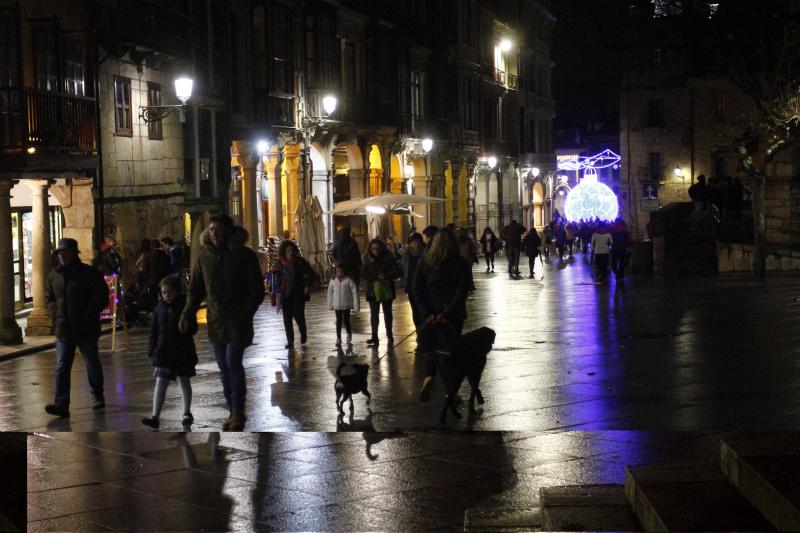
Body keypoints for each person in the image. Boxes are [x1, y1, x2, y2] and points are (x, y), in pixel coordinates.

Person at [180, 214, 264, 432]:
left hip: (238, 320)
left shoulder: (244, 256)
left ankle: (237, 410)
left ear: (228, 231)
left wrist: (246, 312)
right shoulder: (204, 257)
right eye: (211, 229)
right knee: (223, 367)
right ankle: (232, 409)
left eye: (217, 229)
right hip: (216, 321)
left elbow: (256, 290)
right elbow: (195, 289)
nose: (213, 233)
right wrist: (187, 314)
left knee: (232, 362)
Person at [44, 238, 109, 418]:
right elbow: (49, 298)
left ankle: (97, 394)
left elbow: (102, 296)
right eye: (60, 253)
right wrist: (54, 314)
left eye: (66, 252)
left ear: (74, 254)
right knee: (62, 366)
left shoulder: (89, 274)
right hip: (63, 328)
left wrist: (88, 313)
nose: (62, 256)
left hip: (86, 327)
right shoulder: (54, 275)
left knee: (91, 362)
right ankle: (61, 404)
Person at [413, 227, 471, 401]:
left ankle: (429, 376)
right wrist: (446, 313)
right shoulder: (460, 263)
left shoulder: (424, 262)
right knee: (450, 352)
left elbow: (416, 289)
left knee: (435, 348)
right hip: (452, 315)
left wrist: (427, 313)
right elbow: (461, 292)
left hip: (431, 313)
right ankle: (451, 392)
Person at [142, 275, 198, 429]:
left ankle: (186, 412)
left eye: (169, 292)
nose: (166, 295)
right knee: (160, 382)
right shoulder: (159, 308)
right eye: (163, 292)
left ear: (176, 291)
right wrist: (151, 348)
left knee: (184, 381)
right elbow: (154, 331)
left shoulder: (184, 307)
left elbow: (194, 328)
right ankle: (155, 416)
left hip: (182, 351)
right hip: (164, 352)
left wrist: (188, 327)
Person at [276, 240, 318, 349]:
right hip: (285, 295)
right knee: (287, 319)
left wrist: (307, 286)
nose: (290, 253)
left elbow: (312, 275)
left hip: (298, 295)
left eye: (291, 250)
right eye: (287, 251)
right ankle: (290, 342)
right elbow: (276, 278)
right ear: (283, 252)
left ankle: (303, 331)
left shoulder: (300, 262)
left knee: (299, 317)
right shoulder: (279, 264)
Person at [361, 238, 401, 347]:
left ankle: (389, 333)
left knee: (387, 312)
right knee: (374, 314)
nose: (376, 251)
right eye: (373, 249)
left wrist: (386, 275)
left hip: (386, 287)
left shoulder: (388, 256)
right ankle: (374, 336)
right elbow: (363, 273)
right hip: (372, 289)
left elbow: (397, 271)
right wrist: (375, 277)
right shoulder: (367, 258)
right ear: (370, 249)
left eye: (377, 248)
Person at [327, 263, 360, 353]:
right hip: (337, 305)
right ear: (335, 271)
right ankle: (338, 338)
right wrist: (330, 304)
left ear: (344, 271)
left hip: (346, 305)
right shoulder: (333, 280)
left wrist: (355, 305)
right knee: (338, 321)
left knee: (346, 320)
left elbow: (354, 292)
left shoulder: (348, 280)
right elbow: (330, 292)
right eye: (338, 271)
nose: (340, 273)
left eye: (341, 271)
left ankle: (349, 333)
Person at [401, 232, 425, 329]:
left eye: (417, 241)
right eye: (413, 242)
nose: (415, 244)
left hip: (422, 286)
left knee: (423, 308)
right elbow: (404, 268)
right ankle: (418, 328)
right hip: (411, 286)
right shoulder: (407, 253)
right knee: (415, 309)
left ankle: (424, 329)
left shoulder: (426, 252)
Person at [610, 217, 631, 281]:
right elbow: (628, 239)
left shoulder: (612, 229)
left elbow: (610, 239)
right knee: (622, 262)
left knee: (614, 263)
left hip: (615, 248)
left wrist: (610, 244)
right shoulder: (625, 229)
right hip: (622, 248)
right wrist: (630, 246)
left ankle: (617, 273)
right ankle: (620, 275)